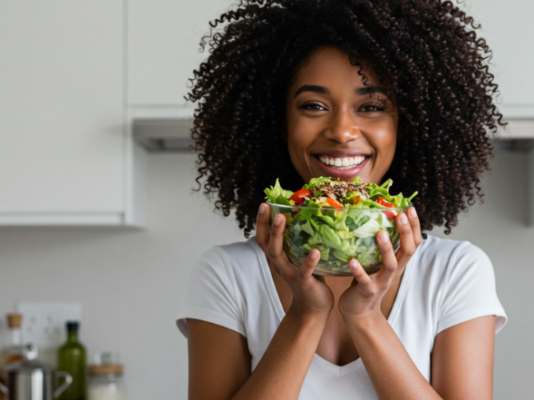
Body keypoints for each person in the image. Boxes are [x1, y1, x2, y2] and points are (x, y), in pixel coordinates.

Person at [176, 0, 507, 399]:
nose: (342, 131)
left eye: (371, 107)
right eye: (314, 106)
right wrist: (306, 313)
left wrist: (364, 316)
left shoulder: (454, 271)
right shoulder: (227, 274)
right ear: (281, 124)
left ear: (408, 124)